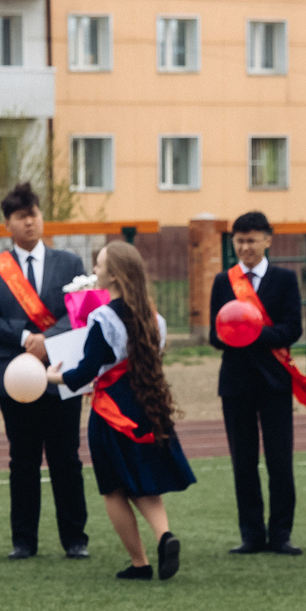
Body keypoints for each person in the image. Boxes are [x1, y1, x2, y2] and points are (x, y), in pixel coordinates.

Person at [51, 240, 192, 580]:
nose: (95, 271)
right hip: (147, 403)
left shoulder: (104, 317)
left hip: (113, 407)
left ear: (113, 275)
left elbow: (86, 371)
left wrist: (54, 376)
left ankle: (140, 563)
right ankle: (164, 534)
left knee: (113, 488)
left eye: (99, 265)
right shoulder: (153, 318)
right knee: (143, 483)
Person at [0, 185, 89, 561]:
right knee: (22, 460)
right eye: (21, 217)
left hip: (60, 372)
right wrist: (25, 338)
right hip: (14, 378)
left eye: (34, 214)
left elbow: (80, 314)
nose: (29, 222)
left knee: (66, 459)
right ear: (8, 224)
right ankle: (24, 540)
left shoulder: (70, 264)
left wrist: (47, 340)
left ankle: (75, 539)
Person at [209, 211, 306, 555]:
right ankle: (251, 534)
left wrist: (252, 332)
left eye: (252, 240)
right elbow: (215, 335)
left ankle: (281, 534)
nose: (245, 247)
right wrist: (235, 334)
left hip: (274, 381)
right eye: (239, 240)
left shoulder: (284, 279)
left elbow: (293, 329)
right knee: (243, 461)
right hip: (236, 383)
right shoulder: (224, 281)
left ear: (268, 240)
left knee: (280, 460)